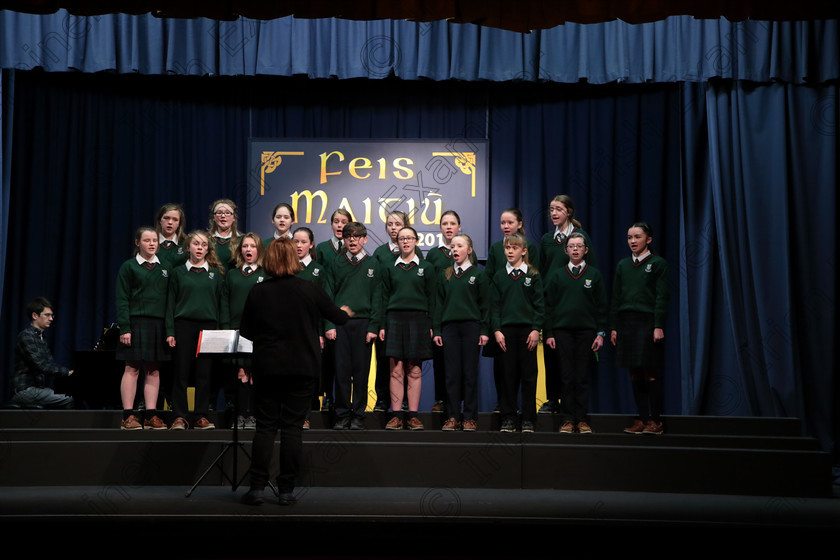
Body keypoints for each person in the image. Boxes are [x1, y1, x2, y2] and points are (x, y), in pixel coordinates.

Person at [239, 238, 352, 506]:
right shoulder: (310, 289)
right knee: (292, 429)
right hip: (302, 368)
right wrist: (346, 311)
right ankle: (286, 490)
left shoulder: (258, 292)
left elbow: (245, 332)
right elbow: (339, 318)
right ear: (295, 259)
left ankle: (256, 489)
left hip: (267, 368)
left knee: (265, 428)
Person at [538, 194, 597, 415]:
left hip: (573, 304)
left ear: (569, 212)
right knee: (551, 355)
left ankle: (573, 406)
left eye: (558, 209)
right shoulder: (546, 239)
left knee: (574, 361)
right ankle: (552, 399)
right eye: (551, 209)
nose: (553, 213)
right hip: (551, 303)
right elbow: (543, 271)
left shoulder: (579, 238)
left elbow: (591, 271)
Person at [610, 222, 669, 435]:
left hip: (647, 321)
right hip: (626, 322)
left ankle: (656, 420)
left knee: (649, 371)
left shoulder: (658, 264)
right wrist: (614, 327)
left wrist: (658, 325)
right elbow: (616, 297)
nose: (632, 241)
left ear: (648, 240)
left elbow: (662, 297)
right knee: (634, 372)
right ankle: (642, 419)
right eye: (629, 237)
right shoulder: (623, 265)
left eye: (637, 237)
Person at [544, 232, 607, 434]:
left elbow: (601, 306)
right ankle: (567, 420)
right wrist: (550, 333)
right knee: (566, 377)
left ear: (586, 250)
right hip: (562, 332)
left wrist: (600, 333)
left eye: (579, 246)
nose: (575, 249)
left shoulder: (594, 275)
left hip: (586, 332)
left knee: (581, 377)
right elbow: (549, 307)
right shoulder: (557, 275)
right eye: (571, 246)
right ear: (566, 250)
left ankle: (581, 419)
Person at [165, 230, 227, 430]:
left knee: (204, 374)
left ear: (208, 249)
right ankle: (179, 416)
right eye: (196, 244)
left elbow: (221, 305)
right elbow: (170, 304)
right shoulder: (178, 272)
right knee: (181, 373)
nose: (199, 248)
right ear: (188, 247)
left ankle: (201, 415)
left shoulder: (215, 274)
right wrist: (170, 331)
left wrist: (222, 332)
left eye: (203, 245)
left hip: (208, 328)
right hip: (183, 326)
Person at [324, 222, 382, 430]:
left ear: (365, 239)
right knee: (340, 371)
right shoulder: (335, 263)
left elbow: (378, 297)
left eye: (357, 236)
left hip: (363, 324)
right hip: (340, 324)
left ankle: (358, 414)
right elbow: (328, 296)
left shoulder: (373, 263)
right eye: (348, 236)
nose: (352, 240)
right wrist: (329, 323)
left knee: (361, 371)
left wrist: (374, 326)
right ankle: (341, 414)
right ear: (344, 239)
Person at [379, 226, 436, 430]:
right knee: (396, 370)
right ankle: (396, 416)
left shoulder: (427, 267)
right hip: (394, 318)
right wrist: (382, 325)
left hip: (418, 319)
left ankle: (412, 416)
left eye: (409, 238)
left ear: (416, 241)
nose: (405, 242)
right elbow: (383, 297)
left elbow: (433, 299)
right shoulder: (388, 267)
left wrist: (432, 326)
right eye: (401, 238)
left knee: (414, 369)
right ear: (397, 242)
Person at [483, 208, 539, 413]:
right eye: (502, 223)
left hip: (523, 321)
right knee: (503, 367)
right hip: (502, 319)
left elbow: (535, 285)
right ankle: (504, 405)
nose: (505, 226)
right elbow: (489, 278)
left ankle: (526, 414)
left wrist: (535, 325)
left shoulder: (529, 248)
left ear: (520, 224)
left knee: (526, 371)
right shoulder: (496, 248)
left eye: (510, 222)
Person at [115, 226, 171, 430]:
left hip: (158, 324)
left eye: (155, 240)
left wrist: (169, 329)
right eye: (147, 240)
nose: (152, 244)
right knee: (132, 368)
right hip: (136, 323)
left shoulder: (165, 267)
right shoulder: (129, 267)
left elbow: (170, 300)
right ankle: (128, 416)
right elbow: (122, 299)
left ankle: (150, 415)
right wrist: (125, 328)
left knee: (154, 370)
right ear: (138, 243)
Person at [432, 233, 489, 431]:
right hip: (449, 329)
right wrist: (437, 330)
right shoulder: (445, 274)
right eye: (453, 247)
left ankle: (469, 417)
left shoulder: (478, 275)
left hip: (471, 328)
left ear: (469, 250)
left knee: (469, 373)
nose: (455, 249)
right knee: (452, 374)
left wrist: (484, 330)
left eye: (459, 246)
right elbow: (438, 304)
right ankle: (453, 416)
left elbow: (485, 305)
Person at [371, 210, 423, 413]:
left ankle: (405, 404)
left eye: (397, 224)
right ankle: (382, 399)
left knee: (407, 364)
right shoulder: (380, 253)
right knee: (385, 360)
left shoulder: (414, 252)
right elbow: (378, 288)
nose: (393, 227)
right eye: (390, 224)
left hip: (409, 317)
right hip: (388, 315)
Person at [491, 233, 544, 433]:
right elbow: (494, 306)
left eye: (514, 248)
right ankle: (508, 418)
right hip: (506, 332)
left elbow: (540, 306)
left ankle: (528, 419)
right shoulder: (499, 276)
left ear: (523, 251)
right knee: (507, 376)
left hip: (527, 332)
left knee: (529, 377)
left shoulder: (533, 275)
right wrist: (496, 330)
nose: (510, 251)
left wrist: (535, 329)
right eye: (507, 248)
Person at [222, 232, 268, 430]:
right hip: (236, 331)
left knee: (256, 373)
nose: (248, 249)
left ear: (259, 249)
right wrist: (226, 329)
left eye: (252, 246)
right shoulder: (232, 274)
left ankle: (255, 416)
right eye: (245, 246)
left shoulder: (266, 274)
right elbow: (224, 303)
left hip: (259, 333)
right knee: (241, 373)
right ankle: (240, 415)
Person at [423, 209, 461, 415]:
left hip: (460, 315)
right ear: (440, 228)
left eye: (452, 223)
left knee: (459, 364)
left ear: (459, 227)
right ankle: (441, 399)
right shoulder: (434, 254)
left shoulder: (465, 251)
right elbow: (429, 288)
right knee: (440, 361)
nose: (448, 227)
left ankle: (458, 403)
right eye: (445, 224)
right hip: (439, 316)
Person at [313, 208, 351, 412]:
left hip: (347, 310)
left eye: (343, 222)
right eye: (336, 221)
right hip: (326, 308)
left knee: (345, 361)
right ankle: (327, 395)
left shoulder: (353, 249)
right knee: (327, 359)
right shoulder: (322, 248)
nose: (339, 225)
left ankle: (344, 399)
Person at [10, 297, 74, 409]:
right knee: (69, 398)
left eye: (52, 315)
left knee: (71, 395)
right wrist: (66, 372)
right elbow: (41, 365)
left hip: (37, 389)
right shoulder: (26, 336)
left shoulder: (41, 338)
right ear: (35, 316)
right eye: (47, 315)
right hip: (25, 390)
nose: (51, 319)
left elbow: (50, 364)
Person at [293, 226, 328, 429]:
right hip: (288, 331)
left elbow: (324, 305)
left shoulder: (318, 270)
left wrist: (321, 332)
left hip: (311, 330)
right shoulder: (284, 269)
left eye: (303, 242)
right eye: (295, 241)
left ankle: (305, 417)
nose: (299, 246)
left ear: (311, 244)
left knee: (307, 375)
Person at [208, 198, 242, 271]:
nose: (223, 216)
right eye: (219, 213)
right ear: (213, 217)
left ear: (234, 217)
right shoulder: (206, 239)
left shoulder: (242, 240)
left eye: (227, 213)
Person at [154, 203, 188, 269]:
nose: (170, 222)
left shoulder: (185, 243)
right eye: (166, 218)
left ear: (179, 223)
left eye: (175, 219)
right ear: (159, 220)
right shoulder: (151, 242)